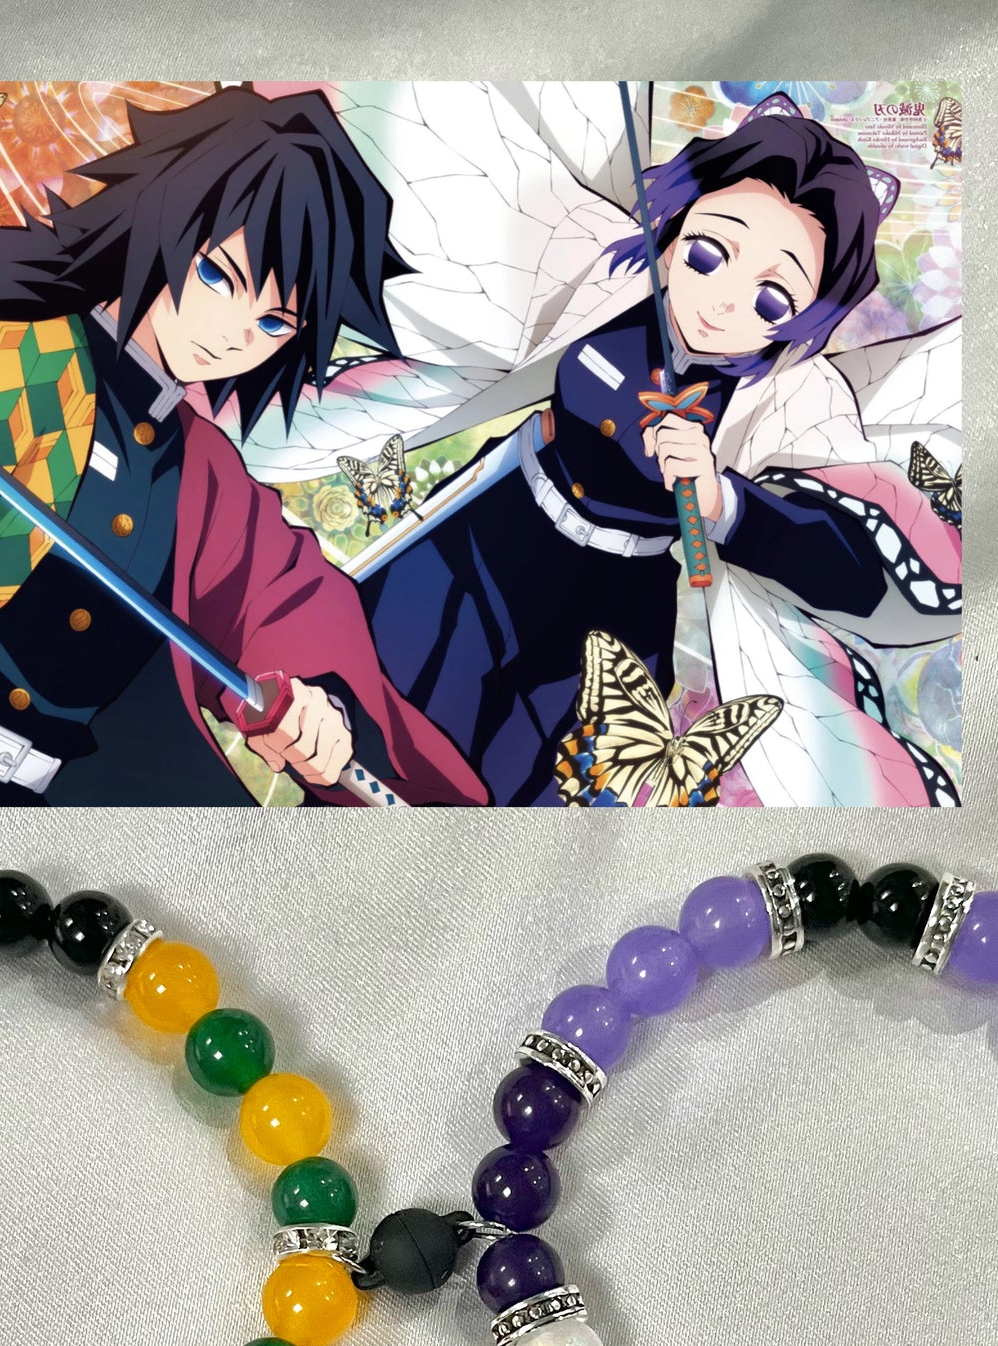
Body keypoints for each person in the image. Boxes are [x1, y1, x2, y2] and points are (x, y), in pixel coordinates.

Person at [243, 87, 961, 807]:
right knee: (357, 724)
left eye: (771, 299)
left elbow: (854, 568)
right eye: (710, 253)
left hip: (606, 624)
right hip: (486, 531)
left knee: (503, 795)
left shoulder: (795, 394)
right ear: (679, 226)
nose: (722, 302)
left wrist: (723, 500)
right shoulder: (609, 272)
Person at [0, 85, 488, 807]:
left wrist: (315, 700)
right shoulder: (4, 359)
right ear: (160, 217)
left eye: (273, 323)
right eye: (217, 275)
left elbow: (286, 599)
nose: (232, 335)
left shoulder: (203, 471)